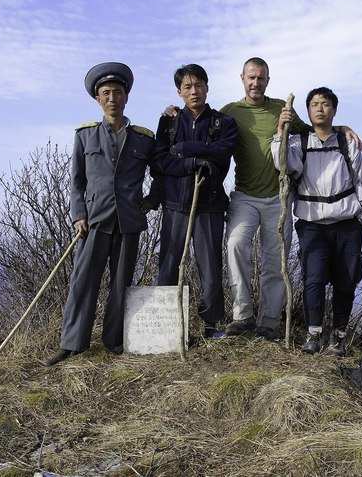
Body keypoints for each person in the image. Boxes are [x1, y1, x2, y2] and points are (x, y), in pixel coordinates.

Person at [220, 57, 362, 340]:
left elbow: (315, 129)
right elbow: (205, 126)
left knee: (276, 260)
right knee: (235, 245)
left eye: (261, 78)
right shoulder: (230, 111)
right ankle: (242, 316)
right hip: (245, 195)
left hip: (279, 198)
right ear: (242, 78)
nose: (255, 83)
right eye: (251, 77)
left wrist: (342, 128)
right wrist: (173, 113)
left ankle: (269, 322)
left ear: (268, 80)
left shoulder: (281, 109)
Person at [46, 62, 157, 366]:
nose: (112, 98)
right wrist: (78, 214)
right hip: (93, 221)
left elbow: (161, 171)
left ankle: (113, 341)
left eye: (117, 92)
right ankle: (73, 343)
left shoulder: (144, 138)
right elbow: (76, 181)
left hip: (128, 221)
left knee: (121, 284)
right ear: (97, 99)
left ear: (126, 97)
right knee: (83, 282)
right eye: (106, 93)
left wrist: (150, 201)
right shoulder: (85, 136)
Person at [271, 87, 362, 355]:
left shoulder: (348, 142)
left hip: (347, 223)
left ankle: (338, 335)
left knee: (346, 280)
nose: (319, 108)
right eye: (314, 104)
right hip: (312, 224)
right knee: (313, 280)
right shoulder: (300, 142)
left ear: (334, 109)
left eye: (325, 104)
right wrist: (281, 130)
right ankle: (314, 334)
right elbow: (283, 165)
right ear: (308, 110)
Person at [151, 64, 237, 338]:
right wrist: (194, 163)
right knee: (168, 266)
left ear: (207, 88)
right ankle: (166, 327)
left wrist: (185, 150)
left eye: (198, 85)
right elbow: (160, 160)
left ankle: (212, 326)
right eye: (187, 87)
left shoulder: (223, 123)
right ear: (179, 92)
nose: (194, 91)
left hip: (209, 205)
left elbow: (223, 154)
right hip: (175, 205)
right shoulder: (169, 122)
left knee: (210, 269)